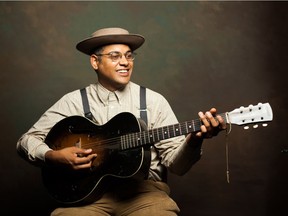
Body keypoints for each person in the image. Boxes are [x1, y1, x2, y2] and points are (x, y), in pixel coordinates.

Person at [16, 27, 226, 216]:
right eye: (115, 56)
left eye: (129, 56)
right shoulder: (73, 101)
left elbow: (177, 166)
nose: (125, 62)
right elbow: (27, 140)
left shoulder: (153, 101)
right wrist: (52, 156)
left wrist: (194, 140)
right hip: (87, 197)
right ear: (95, 62)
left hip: (145, 195)